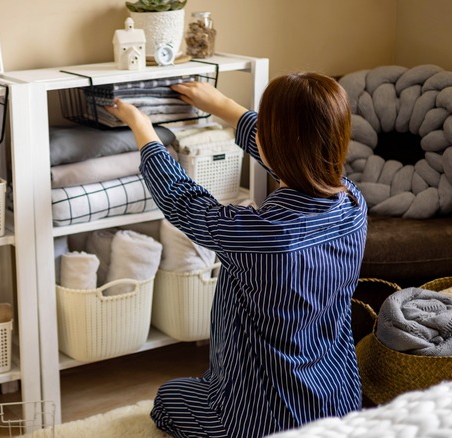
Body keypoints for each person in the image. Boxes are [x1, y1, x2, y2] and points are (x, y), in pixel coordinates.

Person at [104, 72, 367, 437]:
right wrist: (224, 107)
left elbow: (182, 200)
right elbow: (293, 156)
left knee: (166, 400)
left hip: (258, 423)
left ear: (274, 143)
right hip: (339, 405)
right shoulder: (353, 204)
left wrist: (141, 125)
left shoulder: (258, 234)